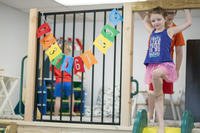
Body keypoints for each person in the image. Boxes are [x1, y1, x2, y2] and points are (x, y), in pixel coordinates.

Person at [139, 7, 191, 133]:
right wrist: (149, 12)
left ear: (164, 19)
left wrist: (186, 8)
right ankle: (160, 125)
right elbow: (143, 22)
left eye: (158, 20)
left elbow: (188, 23)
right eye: (153, 21)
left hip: (165, 65)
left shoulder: (170, 31)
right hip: (153, 65)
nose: (156, 22)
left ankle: (162, 83)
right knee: (158, 96)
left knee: (156, 74)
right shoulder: (152, 31)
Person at [148, 10, 186, 122]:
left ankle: (159, 119)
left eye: (172, 12)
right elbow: (146, 18)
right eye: (167, 12)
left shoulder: (175, 30)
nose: (169, 15)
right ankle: (151, 116)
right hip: (153, 63)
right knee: (152, 90)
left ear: (175, 13)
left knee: (162, 92)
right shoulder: (156, 25)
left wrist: (177, 69)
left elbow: (179, 51)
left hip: (166, 66)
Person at [50, 42, 77, 116]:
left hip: (58, 81)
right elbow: (74, 71)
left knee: (58, 99)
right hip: (68, 81)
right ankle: (71, 112)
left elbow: (51, 69)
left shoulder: (56, 59)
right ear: (68, 51)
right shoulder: (70, 59)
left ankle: (56, 114)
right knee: (71, 97)